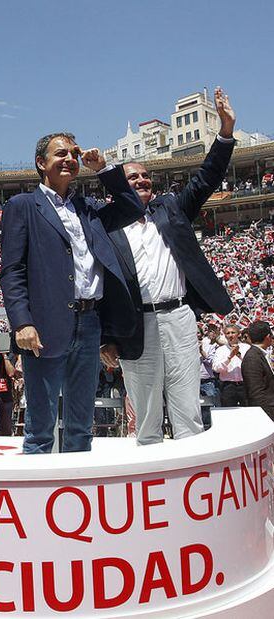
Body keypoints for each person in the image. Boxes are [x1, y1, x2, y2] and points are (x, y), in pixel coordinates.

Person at [100, 87, 235, 445]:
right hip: (135, 323)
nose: (143, 180)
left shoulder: (171, 208)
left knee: (186, 405)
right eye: (133, 177)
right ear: (117, 186)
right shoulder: (106, 224)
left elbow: (207, 178)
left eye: (146, 176)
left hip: (177, 316)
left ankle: (192, 481)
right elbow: (102, 285)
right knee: (145, 415)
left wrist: (224, 134)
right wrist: (106, 338)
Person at [0, 133, 144, 453]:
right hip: (45, 324)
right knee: (40, 427)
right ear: (41, 163)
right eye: (59, 154)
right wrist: (21, 322)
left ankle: (75, 496)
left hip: (90, 321)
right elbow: (12, 270)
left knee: (81, 425)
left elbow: (132, 207)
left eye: (73, 154)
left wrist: (105, 169)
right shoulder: (22, 205)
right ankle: (36, 499)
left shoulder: (88, 208)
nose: (68, 159)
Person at [241, 321, 274, 420]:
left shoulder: (261, 354)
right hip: (265, 415)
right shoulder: (252, 358)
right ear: (268, 337)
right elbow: (256, 394)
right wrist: (269, 417)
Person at [213, 324, 250, 406]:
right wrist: (229, 358)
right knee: (228, 413)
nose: (230, 335)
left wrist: (239, 355)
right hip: (228, 387)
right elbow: (216, 368)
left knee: (247, 411)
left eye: (233, 332)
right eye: (228, 333)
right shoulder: (220, 350)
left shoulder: (246, 348)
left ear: (238, 334)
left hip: (244, 385)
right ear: (225, 335)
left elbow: (251, 366)